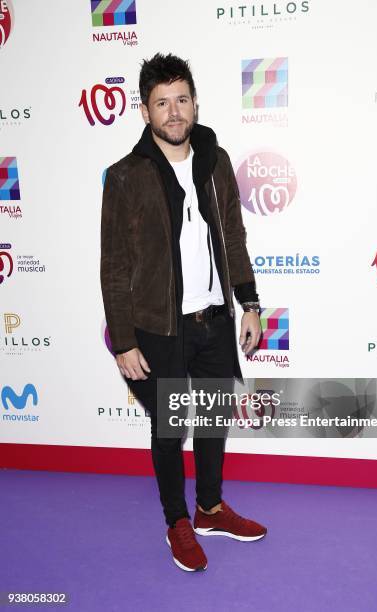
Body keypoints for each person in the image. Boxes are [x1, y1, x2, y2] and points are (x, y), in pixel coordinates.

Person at [100, 53, 267, 572]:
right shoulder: (127, 176)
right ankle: (177, 521)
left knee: (214, 419)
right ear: (145, 111)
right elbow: (114, 265)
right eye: (161, 103)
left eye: (181, 100)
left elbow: (233, 238)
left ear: (195, 102)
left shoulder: (215, 160)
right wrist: (124, 340)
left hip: (214, 319)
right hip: (160, 327)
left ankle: (211, 509)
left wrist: (249, 304)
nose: (174, 112)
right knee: (171, 430)